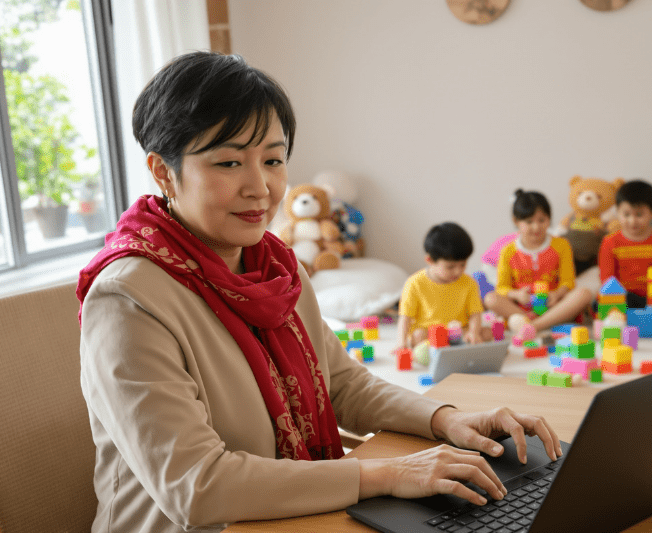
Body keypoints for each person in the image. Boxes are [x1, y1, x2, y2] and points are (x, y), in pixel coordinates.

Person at [76, 51, 561, 533]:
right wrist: (389, 474)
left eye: (272, 159)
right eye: (228, 162)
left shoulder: (275, 267)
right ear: (163, 171)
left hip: (291, 515)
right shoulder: (127, 301)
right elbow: (198, 486)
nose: (260, 187)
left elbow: (343, 383)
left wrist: (449, 420)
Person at [483, 190, 594, 331]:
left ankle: (534, 326)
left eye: (542, 220)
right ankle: (531, 321)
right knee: (490, 298)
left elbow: (568, 281)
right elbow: (502, 288)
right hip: (521, 307)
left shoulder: (561, 245)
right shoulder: (508, 251)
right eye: (529, 222)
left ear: (549, 218)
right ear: (516, 221)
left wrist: (557, 294)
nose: (536, 227)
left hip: (553, 305)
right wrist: (517, 294)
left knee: (584, 294)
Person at [396, 222, 492, 351]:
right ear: (430, 260)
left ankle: (454, 347)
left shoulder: (469, 283)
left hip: (458, 332)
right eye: (450, 267)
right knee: (418, 336)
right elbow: (405, 318)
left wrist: (474, 332)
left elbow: (476, 313)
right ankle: (446, 348)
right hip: (428, 333)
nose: (458, 271)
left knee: (486, 333)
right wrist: (401, 343)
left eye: (463, 265)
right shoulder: (414, 283)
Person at [598, 180, 652, 308]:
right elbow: (607, 280)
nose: (632, 221)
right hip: (623, 297)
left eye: (639, 214)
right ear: (617, 212)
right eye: (626, 214)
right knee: (599, 302)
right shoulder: (610, 242)